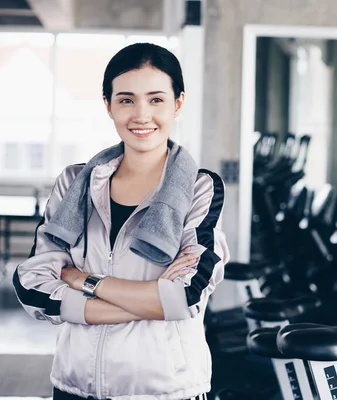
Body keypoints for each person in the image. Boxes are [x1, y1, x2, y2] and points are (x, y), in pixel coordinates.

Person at [12, 43, 230, 400]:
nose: (141, 115)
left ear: (178, 103)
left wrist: (83, 280)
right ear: (108, 105)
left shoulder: (199, 188)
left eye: (156, 99)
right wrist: (147, 303)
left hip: (165, 390)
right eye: (127, 100)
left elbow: (184, 297)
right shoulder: (73, 183)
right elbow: (33, 287)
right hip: (74, 386)